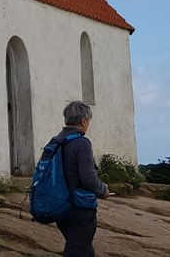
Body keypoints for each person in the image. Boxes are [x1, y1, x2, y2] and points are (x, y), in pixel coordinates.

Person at [54, 101, 109, 257]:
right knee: (77, 250)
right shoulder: (81, 143)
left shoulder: (56, 141)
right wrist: (103, 189)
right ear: (84, 121)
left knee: (83, 249)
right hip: (79, 207)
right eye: (88, 121)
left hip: (60, 205)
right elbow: (88, 178)